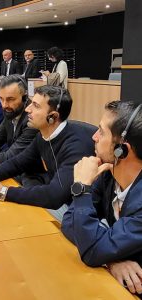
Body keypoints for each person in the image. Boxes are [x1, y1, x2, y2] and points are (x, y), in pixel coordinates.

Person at [0, 85, 96, 220]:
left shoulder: (76, 146)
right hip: (62, 200)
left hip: (81, 212)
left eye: (36, 106)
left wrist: (3, 192)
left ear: (53, 117)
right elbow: (18, 162)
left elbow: (55, 196)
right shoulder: (43, 135)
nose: (27, 109)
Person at [61, 101, 142, 297]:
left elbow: (91, 251)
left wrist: (81, 188)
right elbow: (69, 222)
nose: (93, 137)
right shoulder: (109, 172)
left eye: (101, 132)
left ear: (122, 149)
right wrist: (111, 259)